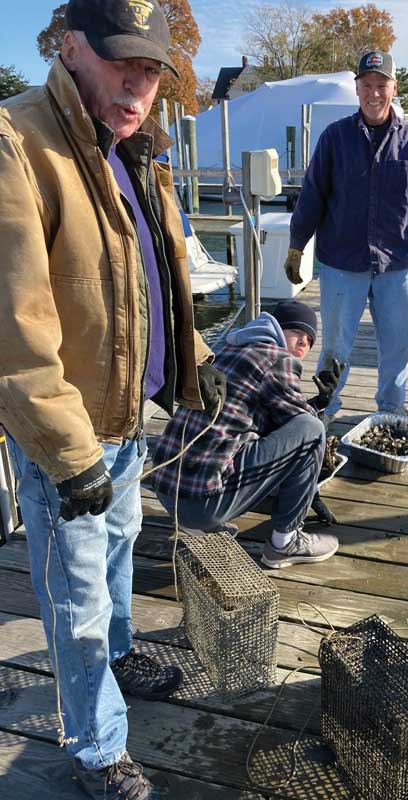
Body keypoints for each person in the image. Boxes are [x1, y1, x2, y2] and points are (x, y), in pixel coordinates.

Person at [0, 1, 226, 797]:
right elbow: (13, 328)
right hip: (73, 432)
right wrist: (65, 454)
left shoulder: (133, 147)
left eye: (152, 68)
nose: (139, 83)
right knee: (77, 597)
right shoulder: (17, 142)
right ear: (69, 47)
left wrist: (196, 356)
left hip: (132, 418)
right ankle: (98, 747)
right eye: (121, 60)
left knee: (124, 546)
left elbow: (154, 281)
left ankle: (124, 659)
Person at [283, 50, 408, 425]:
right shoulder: (334, 138)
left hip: (396, 264)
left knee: (399, 344)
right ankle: (327, 407)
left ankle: (391, 407)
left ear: (394, 89)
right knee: (334, 346)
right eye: (367, 86)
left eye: (381, 86)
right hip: (342, 263)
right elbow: (312, 195)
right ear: (356, 89)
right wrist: (297, 244)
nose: (374, 94)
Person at [152, 300, 341, 569]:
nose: (303, 344)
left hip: (169, 495)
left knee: (294, 429)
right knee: (313, 430)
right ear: (277, 328)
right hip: (202, 506)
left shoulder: (225, 351)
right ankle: (285, 543)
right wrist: (320, 407)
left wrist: (317, 403)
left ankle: (203, 524)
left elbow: (274, 419)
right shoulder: (277, 358)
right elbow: (303, 428)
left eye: (309, 341)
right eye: (297, 334)